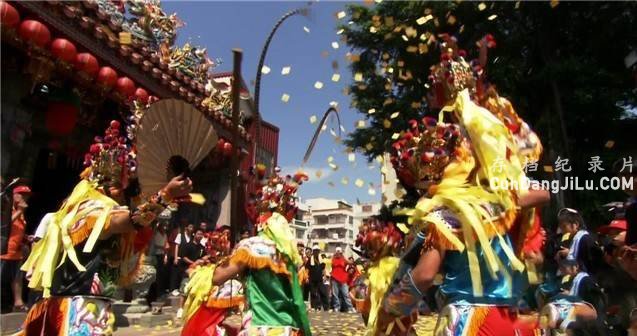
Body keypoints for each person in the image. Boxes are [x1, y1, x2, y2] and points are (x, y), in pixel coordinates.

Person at [365, 35, 551, 335]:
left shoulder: (447, 216)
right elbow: (542, 194)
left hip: (470, 323)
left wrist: (391, 308)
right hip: (511, 320)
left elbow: (425, 276)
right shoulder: (503, 205)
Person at [18, 120, 193, 335]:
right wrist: (165, 194)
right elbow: (133, 220)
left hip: (68, 305)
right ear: (109, 187)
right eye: (121, 186)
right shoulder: (96, 212)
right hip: (80, 311)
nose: (123, 193)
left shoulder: (76, 211)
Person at [208, 169, 312, 335]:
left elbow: (217, 277)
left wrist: (209, 265)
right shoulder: (292, 255)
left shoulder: (251, 247)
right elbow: (298, 301)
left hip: (260, 328)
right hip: (289, 330)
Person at [0, 185, 31, 312]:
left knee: (17, 279)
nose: (24, 197)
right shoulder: (6, 209)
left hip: (16, 252)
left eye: (26, 195)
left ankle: (18, 303)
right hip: (3, 252)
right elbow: (4, 225)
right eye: (21, 194)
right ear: (13, 195)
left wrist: (26, 238)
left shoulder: (20, 213)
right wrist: (19, 211)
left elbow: (16, 230)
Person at [331, 247, 354, 313]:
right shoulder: (333, 259)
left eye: (339, 252)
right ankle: (336, 307)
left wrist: (345, 256)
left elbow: (350, 263)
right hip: (334, 278)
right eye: (337, 252)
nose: (338, 253)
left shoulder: (343, 259)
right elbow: (330, 264)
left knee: (346, 294)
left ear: (341, 253)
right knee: (335, 294)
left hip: (343, 279)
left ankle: (350, 308)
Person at [307, 244, 329, 311]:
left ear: (319, 251)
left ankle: (326, 307)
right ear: (313, 251)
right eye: (315, 251)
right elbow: (307, 269)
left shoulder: (321, 259)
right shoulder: (310, 259)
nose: (316, 252)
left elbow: (323, 268)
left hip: (319, 279)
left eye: (317, 251)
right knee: (313, 293)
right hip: (312, 278)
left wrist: (325, 276)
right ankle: (315, 307)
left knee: (323, 292)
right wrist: (307, 277)